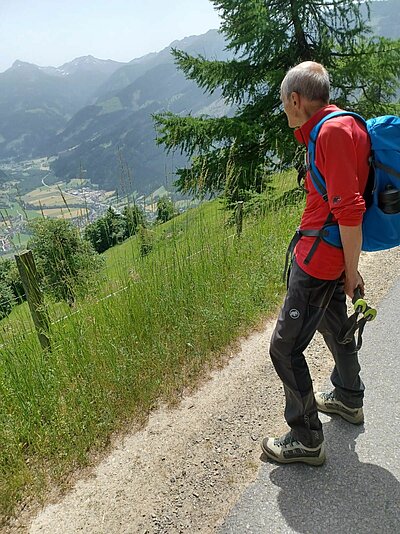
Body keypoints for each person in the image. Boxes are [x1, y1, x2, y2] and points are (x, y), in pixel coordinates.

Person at [261, 61, 371, 466]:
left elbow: (349, 210)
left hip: (320, 261)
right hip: (329, 254)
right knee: (335, 324)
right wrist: (349, 266)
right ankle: (347, 396)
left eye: (284, 104)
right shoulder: (340, 123)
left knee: (284, 348)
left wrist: (351, 269)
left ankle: (306, 437)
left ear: (295, 99)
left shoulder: (332, 133)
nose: (284, 112)